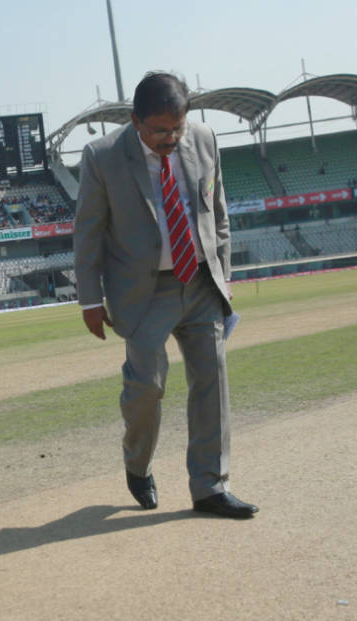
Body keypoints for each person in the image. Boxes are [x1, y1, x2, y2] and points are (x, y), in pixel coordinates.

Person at [73, 71, 258, 519]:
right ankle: (137, 464)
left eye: (177, 127)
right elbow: (88, 233)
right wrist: (90, 300)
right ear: (136, 121)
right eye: (159, 130)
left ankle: (210, 487)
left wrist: (223, 276)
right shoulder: (103, 156)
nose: (170, 138)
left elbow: (219, 214)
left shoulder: (204, 139)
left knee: (211, 382)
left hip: (200, 282)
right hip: (143, 291)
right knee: (146, 389)